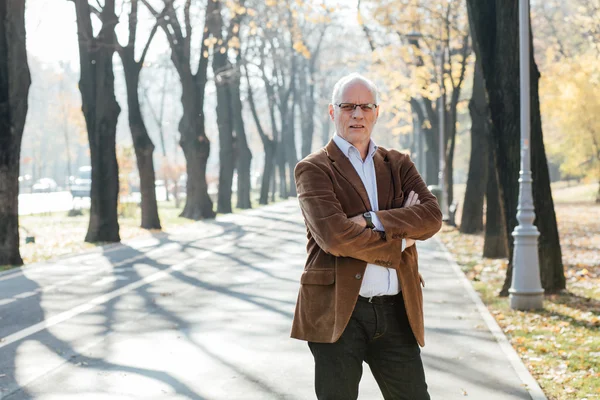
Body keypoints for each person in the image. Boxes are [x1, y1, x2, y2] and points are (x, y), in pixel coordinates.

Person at [292, 73, 443, 400]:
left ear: (376, 112)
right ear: (333, 112)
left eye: (365, 106)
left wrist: (371, 219)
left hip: (396, 311)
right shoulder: (314, 168)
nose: (357, 114)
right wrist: (401, 239)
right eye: (347, 106)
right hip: (337, 313)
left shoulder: (398, 164)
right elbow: (334, 237)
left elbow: (431, 218)